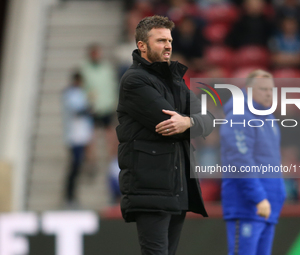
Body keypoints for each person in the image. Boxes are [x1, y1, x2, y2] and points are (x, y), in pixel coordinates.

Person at [116, 15, 214, 255]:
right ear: (142, 46)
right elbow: (168, 125)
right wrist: (188, 122)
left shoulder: (175, 79)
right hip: (150, 188)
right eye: (160, 40)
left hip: (176, 187)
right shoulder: (134, 80)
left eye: (169, 40)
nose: (168, 45)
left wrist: (188, 121)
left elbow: (209, 120)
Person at [220, 70, 286, 255]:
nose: (268, 93)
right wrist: (259, 198)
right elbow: (240, 162)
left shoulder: (270, 119)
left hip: (267, 207)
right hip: (247, 206)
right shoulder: (239, 118)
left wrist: (278, 195)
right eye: (263, 89)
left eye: (271, 90)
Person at [80, 44, 118, 166]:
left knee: (110, 133)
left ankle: (113, 158)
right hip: (93, 106)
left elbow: (111, 86)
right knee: (91, 135)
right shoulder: (85, 69)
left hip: (106, 105)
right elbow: (83, 88)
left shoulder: (106, 68)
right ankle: (91, 160)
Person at [62, 72, 93, 208]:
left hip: (82, 135)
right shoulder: (70, 94)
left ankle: (72, 195)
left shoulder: (81, 93)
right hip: (74, 136)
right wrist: (88, 108)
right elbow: (77, 111)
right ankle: (69, 195)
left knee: (78, 166)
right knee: (74, 166)